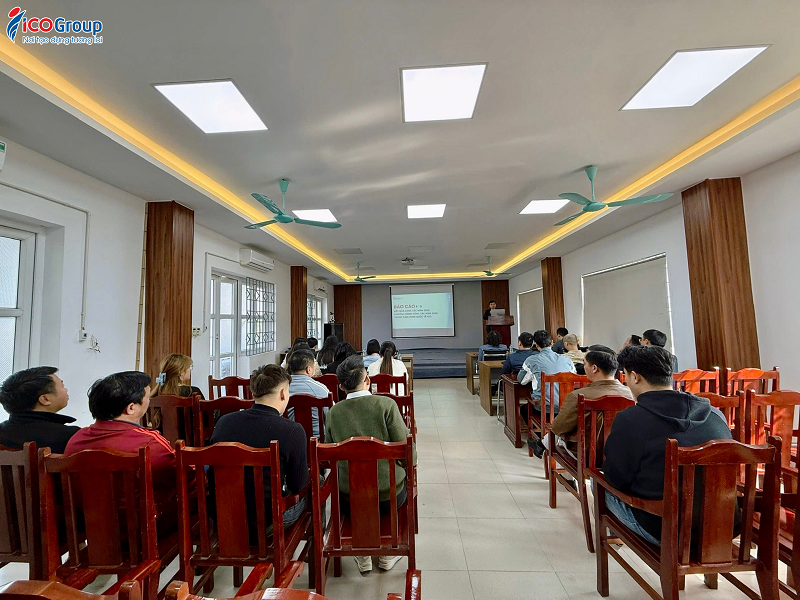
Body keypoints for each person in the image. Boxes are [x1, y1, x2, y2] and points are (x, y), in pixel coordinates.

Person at [603, 345, 732, 545]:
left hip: (665, 529)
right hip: (723, 527)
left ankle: (614, 540)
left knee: (599, 485)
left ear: (635, 377)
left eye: (626, 376)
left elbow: (616, 478)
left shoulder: (631, 418)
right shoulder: (715, 414)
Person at [64, 371, 186, 537]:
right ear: (131, 408)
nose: (149, 402)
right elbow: (186, 480)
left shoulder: (76, 440)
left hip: (92, 528)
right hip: (142, 530)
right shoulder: (148, 442)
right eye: (147, 397)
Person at [325, 355, 416, 575]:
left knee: (359, 490)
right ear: (367, 380)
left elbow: (328, 455)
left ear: (341, 387)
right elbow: (406, 450)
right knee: (396, 482)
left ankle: (362, 553)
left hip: (348, 496)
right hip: (389, 495)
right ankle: (387, 554)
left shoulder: (334, 412)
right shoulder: (386, 405)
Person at [211, 364, 308, 538]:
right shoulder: (292, 431)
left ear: (253, 393)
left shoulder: (223, 422)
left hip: (225, 518)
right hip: (267, 523)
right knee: (317, 482)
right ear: (283, 393)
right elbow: (297, 485)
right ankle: (317, 545)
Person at [529, 345, 633, 459]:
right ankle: (540, 444)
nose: (583, 367)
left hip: (586, 455)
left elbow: (558, 427)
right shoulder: (631, 394)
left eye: (584, 363)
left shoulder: (578, 396)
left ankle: (541, 445)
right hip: (622, 454)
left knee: (560, 431)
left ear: (594, 368)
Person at [0, 367, 80, 453]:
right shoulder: (71, 436)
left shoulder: (2, 432)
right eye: (62, 386)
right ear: (45, 399)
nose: (66, 390)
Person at [518, 330, 576, 425]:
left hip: (544, 409)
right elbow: (573, 379)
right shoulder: (567, 360)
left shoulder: (531, 360)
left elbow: (521, 381)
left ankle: (539, 432)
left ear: (536, 345)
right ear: (552, 342)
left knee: (524, 409)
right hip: (565, 408)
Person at [287, 349, 330, 438]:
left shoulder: (282, 389)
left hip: (289, 440)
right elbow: (330, 415)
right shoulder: (321, 389)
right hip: (318, 440)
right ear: (309, 369)